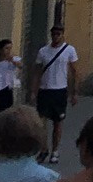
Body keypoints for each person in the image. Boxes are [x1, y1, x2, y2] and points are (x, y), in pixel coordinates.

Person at [29, 30, 77, 168]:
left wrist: (74, 92)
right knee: (41, 123)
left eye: (58, 34)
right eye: (54, 34)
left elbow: (74, 71)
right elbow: (37, 71)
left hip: (60, 91)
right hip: (45, 91)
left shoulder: (69, 50)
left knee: (58, 123)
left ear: (63, 35)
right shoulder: (43, 51)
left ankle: (55, 151)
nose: (56, 37)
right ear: (51, 35)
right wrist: (34, 90)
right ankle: (44, 149)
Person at [0, 49, 21, 120]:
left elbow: (20, 64)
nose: (8, 51)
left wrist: (12, 59)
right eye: (6, 48)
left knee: (6, 114)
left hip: (6, 90)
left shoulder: (12, 60)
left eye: (10, 48)